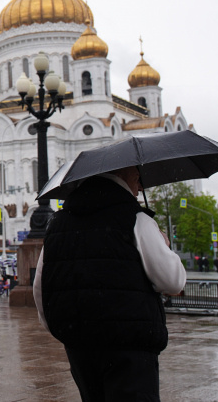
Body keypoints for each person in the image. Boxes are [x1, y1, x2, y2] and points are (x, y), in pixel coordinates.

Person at [33, 166, 186, 402]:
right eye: (137, 177)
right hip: (130, 345)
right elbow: (173, 281)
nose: (139, 187)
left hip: (79, 345)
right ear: (122, 175)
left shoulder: (58, 224)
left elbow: (41, 288)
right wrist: (164, 246)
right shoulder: (137, 219)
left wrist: (63, 328)